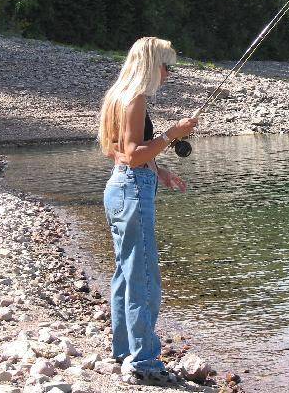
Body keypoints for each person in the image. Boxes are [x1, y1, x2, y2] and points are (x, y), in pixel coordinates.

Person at [98, 36, 198, 386]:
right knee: (144, 277)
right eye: (166, 65)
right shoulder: (136, 98)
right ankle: (144, 362)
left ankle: (125, 350)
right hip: (132, 192)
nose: (169, 73)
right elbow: (131, 153)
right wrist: (172, 133)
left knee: (126, 274)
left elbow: (116, 153)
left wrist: (161, 172)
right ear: (150, 64)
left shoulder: (117, 96)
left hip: (119, 188)